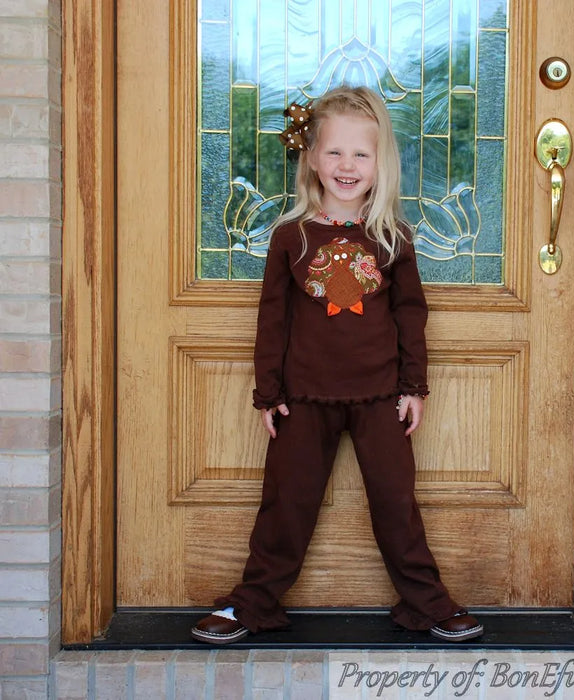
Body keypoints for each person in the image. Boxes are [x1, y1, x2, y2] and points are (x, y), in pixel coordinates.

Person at [191, 86, 483, 645]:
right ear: (312, 158)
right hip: (303, 398)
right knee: (286, 503)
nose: (347, 166)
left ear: (380, 164)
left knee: (397, 503)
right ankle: (251, 603)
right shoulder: (290, 238)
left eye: (361, 154)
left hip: (380, 398)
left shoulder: (393, 238)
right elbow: (272, 320)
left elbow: (409, 314)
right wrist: (268, 393)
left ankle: (428, 602)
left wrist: (414, 387)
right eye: (335, 152)